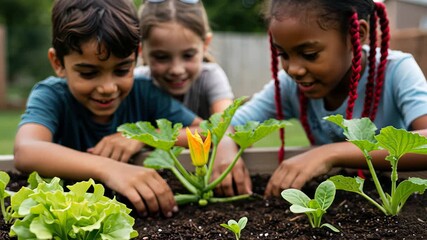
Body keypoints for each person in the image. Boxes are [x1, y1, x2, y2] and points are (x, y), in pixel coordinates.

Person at [213, 0, 427, 198]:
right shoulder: (290, 87)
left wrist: (330, 153)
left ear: (357, 34)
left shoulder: (397, 71)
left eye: (310, 54)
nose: (294, 69)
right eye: (283, 55)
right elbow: (228, 125)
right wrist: (225, 151)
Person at [13, 0, 202, 218]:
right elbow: (26, 150)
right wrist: (109, 168)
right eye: (88, 73)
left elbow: (205, 131)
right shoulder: (52, 95)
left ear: (137, 55)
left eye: (122, 70)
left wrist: (143, 137)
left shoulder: (145, 93)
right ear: (58, 63)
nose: (108, 88)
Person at [134, 0, 234, 119]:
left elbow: (225, 130)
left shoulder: (210, 77)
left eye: (188, 55)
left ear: (205, 45)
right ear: (140, 50)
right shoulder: (137, 83)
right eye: (161, 57)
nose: (177, 70)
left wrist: (141, 138)